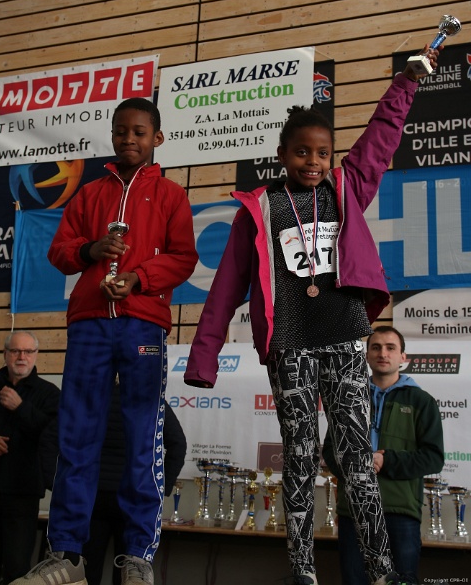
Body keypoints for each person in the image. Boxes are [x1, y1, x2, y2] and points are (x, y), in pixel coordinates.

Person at [183, 44, 442, 585]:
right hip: (291, 344)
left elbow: (379, 140)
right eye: (302, 152)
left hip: (344, 335)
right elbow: (226, 287)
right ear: (282, 154)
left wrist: (406, 84)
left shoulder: (345, 190)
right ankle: (302, 570)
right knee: (300, 456)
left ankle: (381, 570)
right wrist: (204, 357)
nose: (313, 162)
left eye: (323, 153)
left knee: (357, 456)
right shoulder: (260, 210)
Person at [11, 97, 198, 585]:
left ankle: (137, 556)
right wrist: (91, 250)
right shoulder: (90, 193)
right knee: (76, 437)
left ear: (157, 138)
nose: (128, 139)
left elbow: (183, 257)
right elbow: (60, 251)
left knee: (143, 439)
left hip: (143, 325)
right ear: (112, 135)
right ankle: (67, 553)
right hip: (90, 323)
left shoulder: (171, 195)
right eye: (120, 131)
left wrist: (138, 278)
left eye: (139, 131)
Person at [322, 326, 444, 585]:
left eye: (390, 348)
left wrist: (386, 461)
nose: (383, 353)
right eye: (376, 347)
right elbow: (330, 451)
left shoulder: (422, 401)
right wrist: (357, 467)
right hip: (354, 511)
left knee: (402, 581)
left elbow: (433, 458)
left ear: (403, 357)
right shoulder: (347, 398)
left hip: (400, 512)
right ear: (366, 356)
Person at [82, 381, 187, 585]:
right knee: (130, 571)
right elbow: (178, 444)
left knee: (87, 568)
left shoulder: (93, 398)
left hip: (94, 497)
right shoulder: (151, 400)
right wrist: (161, 488)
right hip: (134, 498)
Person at [0, 330, 60, 585]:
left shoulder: (49, 394)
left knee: (17, 568)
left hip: (23, 494)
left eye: (28, 351)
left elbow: (53, 437)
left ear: (36, 355)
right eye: (16, 351)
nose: (22, 356)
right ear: (5, 354)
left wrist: (21, 408)